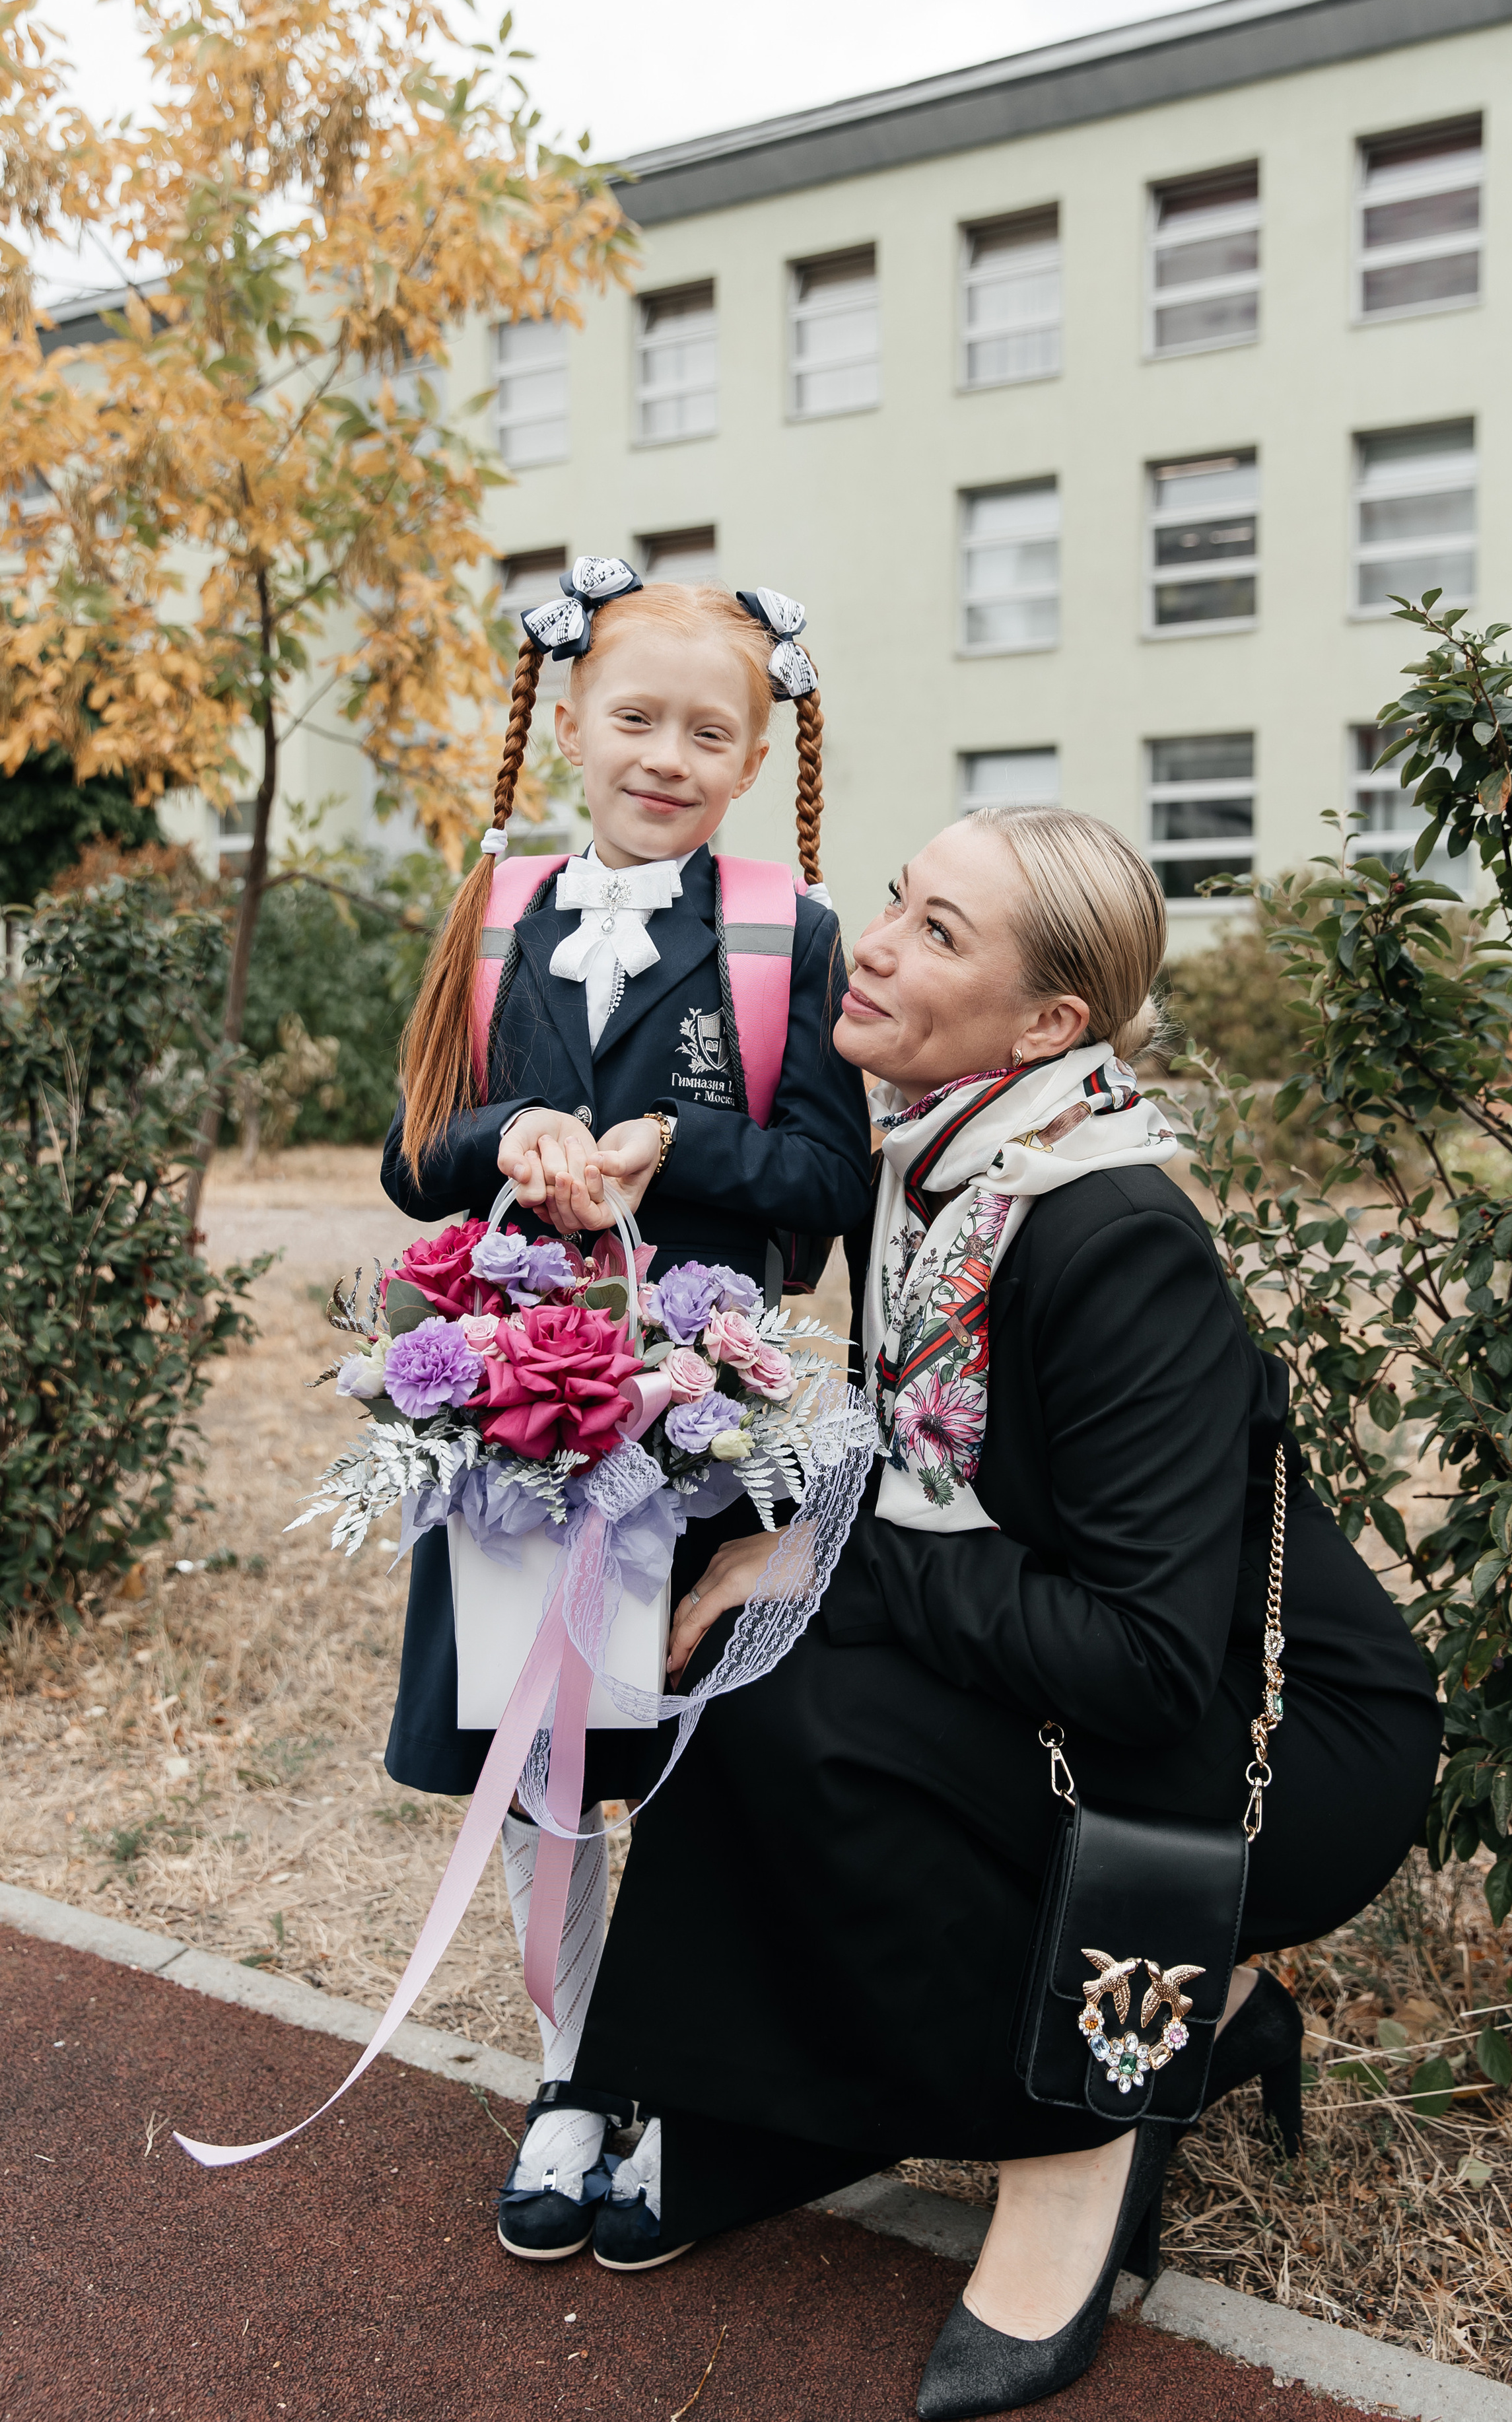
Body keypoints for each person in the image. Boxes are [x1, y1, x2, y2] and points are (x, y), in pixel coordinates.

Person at [573, 804, 1443, 2417]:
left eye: (938, 933)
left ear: (1048, 1023)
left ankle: (1090, 2119)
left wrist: (826, 1563)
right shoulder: (936, 1158)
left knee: (811, 1683)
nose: (874, 945)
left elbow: (1143, 1659)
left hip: (1269, 1740)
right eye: (895, 900)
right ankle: (780, 2107)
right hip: (1095, 1665)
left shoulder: (1111, 1231)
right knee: (749, 1664)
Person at [379, 567, 874, 2271]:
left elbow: (825, 1185)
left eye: (706, 733)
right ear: (572, 724)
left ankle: (684, 2080)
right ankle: (573, 2070)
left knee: (688, 1755)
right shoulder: (497, 911)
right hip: (518, 1412)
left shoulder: (786, 936)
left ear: (752, 758)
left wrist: (678, 1146)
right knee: (548, 1760)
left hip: (703, 1417)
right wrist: (507, 1133)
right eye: (636, 718)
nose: (666, 756)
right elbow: (413, 1153)